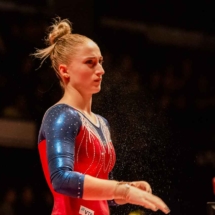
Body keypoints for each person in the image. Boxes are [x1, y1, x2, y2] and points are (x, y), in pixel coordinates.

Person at [33, 17, 170, 215]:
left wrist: (127, 189)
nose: (101, 70)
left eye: (100, 62)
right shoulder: (61, 115)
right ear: (65, 71)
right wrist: (122, 190)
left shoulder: (102, 122)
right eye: (90, 63)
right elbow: (61, 179)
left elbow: (102, 191)